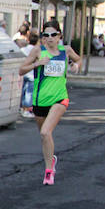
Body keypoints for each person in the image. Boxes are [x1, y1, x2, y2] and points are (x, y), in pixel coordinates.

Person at [18, 21, 81, 185]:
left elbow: (78, 59)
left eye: (53, 35)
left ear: (60, 35)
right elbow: (21, 70)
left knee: (46, 132)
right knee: (44, 136)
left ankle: (48, 171)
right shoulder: (38, 50)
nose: (49, 38)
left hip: (60, 98)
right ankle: (51, 159)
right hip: (40, 100)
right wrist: (37, 63)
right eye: (46, 35)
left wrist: (76, 66)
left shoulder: (65, 50)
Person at [19, 31, 39, 119]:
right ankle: (26, 110)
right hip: (32, 74)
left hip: (23, 74)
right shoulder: (36, 51)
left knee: (22, 92)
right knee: (29, 93)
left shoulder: (23, 49)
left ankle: (22, 108)